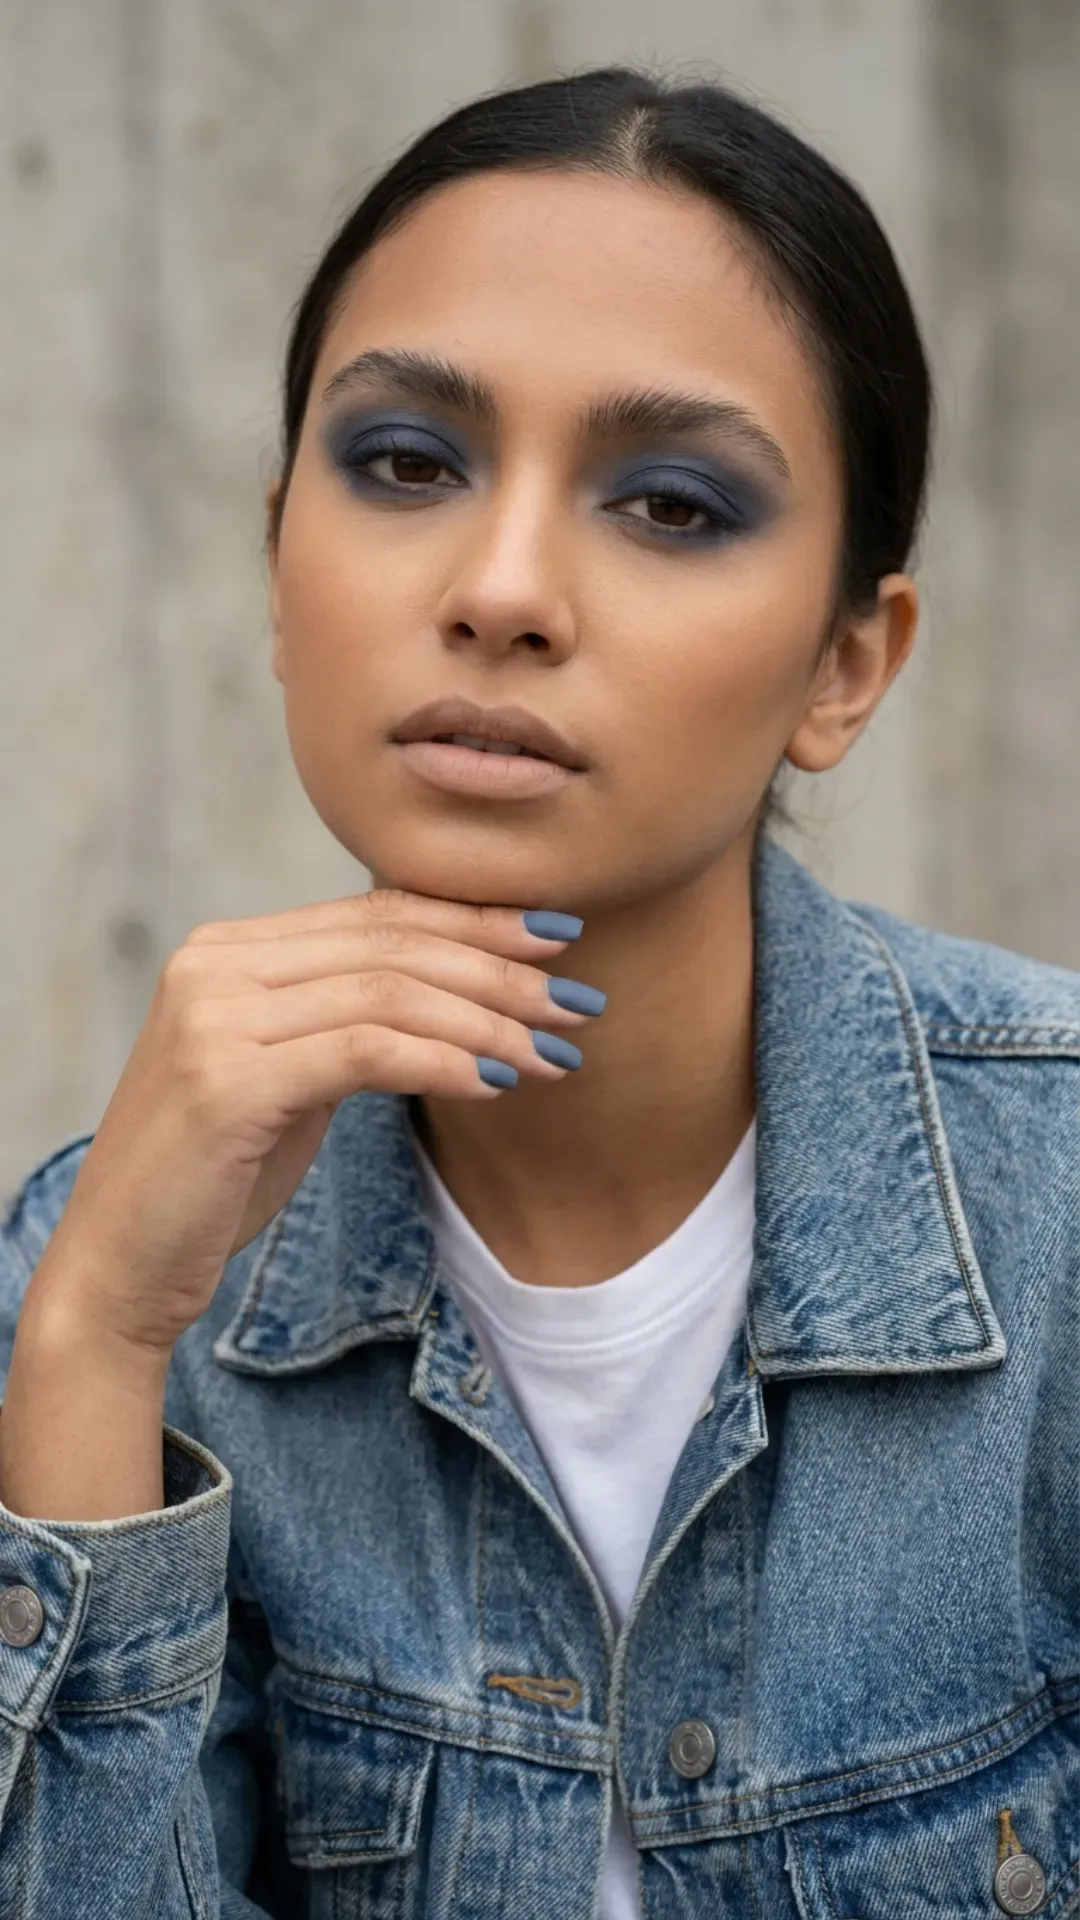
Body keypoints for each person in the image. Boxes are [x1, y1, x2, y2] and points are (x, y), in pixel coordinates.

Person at [0, 63, 1075, 1920]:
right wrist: (96, 1347)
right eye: (407, 464)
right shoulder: (97, 1275)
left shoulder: (1058, 1206)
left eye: (670, 503)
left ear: (846, 662)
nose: (501, 590)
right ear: (279, 564)